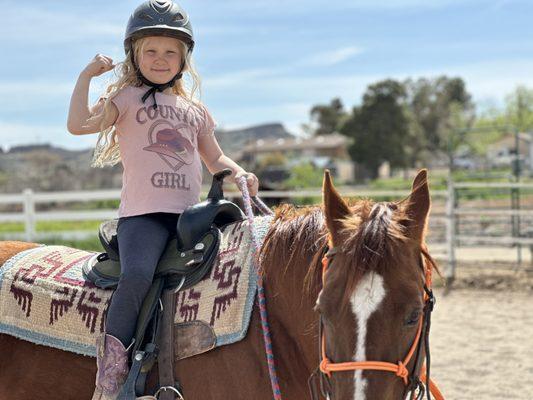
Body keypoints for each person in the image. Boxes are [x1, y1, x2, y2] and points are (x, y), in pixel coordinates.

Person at [66, 1, 259, 398]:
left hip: (191, 216)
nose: (161, 58)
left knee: (245, 259)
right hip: (144, 217)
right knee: (137, 275)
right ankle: (112, 370)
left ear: (184, 59)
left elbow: (215, 158)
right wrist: (87, 75)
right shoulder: (126, 99)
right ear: (134, 55)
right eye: (151, 50)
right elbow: (77, 125)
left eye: (171, 51)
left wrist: (237, 172)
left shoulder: (195, 111)